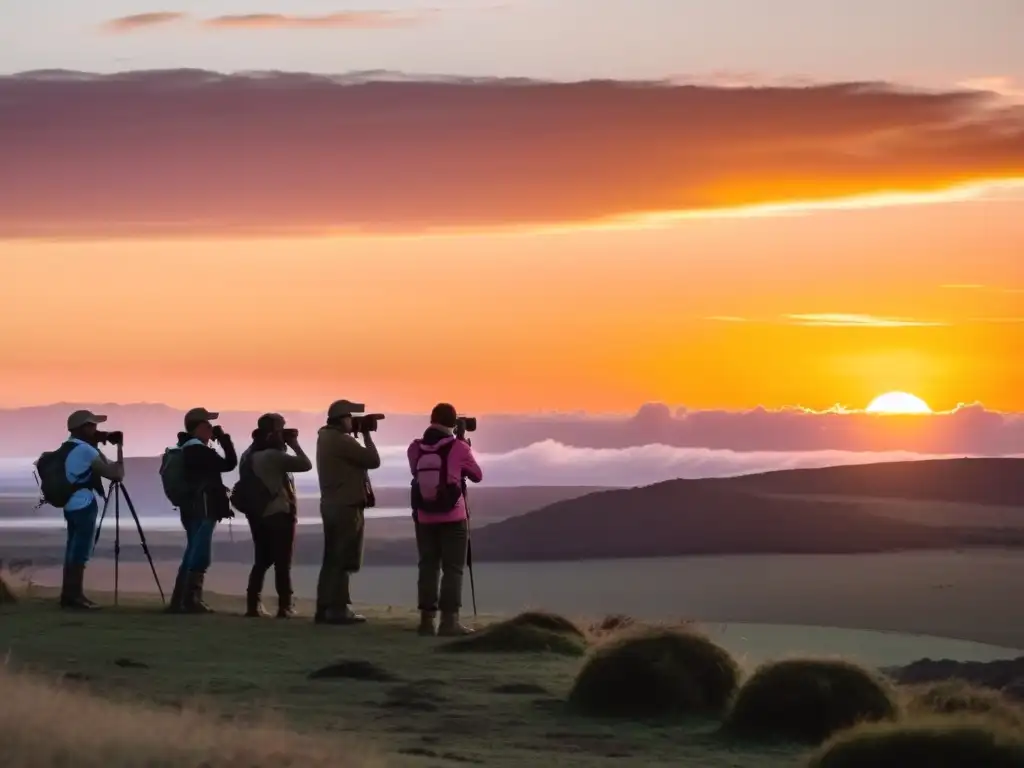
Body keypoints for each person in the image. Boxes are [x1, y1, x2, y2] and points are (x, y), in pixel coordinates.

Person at [408, 403, 483, 637]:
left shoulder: (415, 448)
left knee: (428, 566)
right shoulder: (458, 447)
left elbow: (415, 473)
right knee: (453, 568)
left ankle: (426, 621)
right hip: (453, 515)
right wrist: (465, 448)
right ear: (453, 423)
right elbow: (477, 475)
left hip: (424, 515)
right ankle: (449, 622)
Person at [314, 399, 381, 625]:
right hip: (345, 506)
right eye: (351, 418)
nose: (355, 423)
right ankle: (338, 609)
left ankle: (326, 607)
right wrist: (367, 435)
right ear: (343, 418)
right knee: (342, 558)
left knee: (332, 558)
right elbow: (373, 460)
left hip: (333, 504)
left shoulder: (325, 437)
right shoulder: (340, 440)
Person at [240, 413, 312, 618]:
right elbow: (305, 464)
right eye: (281, 430)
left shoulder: (249, 454)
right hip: (279, 513)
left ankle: (253, 604)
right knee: (282, 561)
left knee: (261, 559)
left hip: (256, 514)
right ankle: (285, 606)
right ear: (273, 433)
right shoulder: (272, 455)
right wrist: (295, 444)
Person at [167, 407, 238, 614]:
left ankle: (181, 600)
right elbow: (229, 464)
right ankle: (190, 599)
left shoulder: (185, 448)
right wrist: (224, 439)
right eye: (208, 425)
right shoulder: (197, 450)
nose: (211, 429)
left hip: (191, 507)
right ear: (198, 427)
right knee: (200, 553)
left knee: (193, 550)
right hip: (203, 507)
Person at [59, 409, 125, 610]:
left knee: (73, 548)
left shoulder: (67, 447)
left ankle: (69, 594)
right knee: (81, 550)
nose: (96, 429)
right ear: (84, 428)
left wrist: (98, 443)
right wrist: (120, 448)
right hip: (84, 504)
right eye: (92, 425)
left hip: (69, 504)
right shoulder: (86, 450)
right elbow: (116, 474)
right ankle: (75, 597)